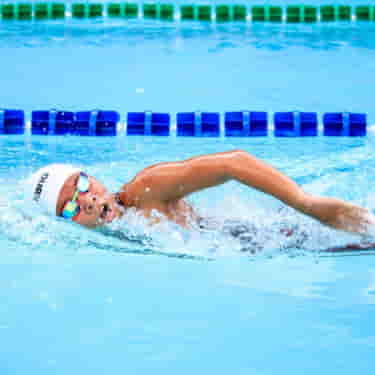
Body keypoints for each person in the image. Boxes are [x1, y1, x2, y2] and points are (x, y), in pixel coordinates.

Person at [24, 150, 375, 251]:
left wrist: (306, 203)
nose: (86, 201)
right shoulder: (108, 241)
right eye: (68, 207)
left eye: (81, 184)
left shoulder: (146, 190)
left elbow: (233, 163)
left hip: (276, 239)